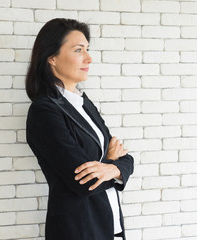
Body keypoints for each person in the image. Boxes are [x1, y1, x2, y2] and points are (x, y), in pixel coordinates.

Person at [25, 18, 134, 240]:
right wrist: (113, 165)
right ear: (52, 58)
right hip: (79, 229)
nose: (88, 58)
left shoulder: (83, 103)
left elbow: (125, 157)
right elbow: (83, 181)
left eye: (87, 49)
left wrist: (110, 167)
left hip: (109, 225)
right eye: (78, 50)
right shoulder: (44, 111)